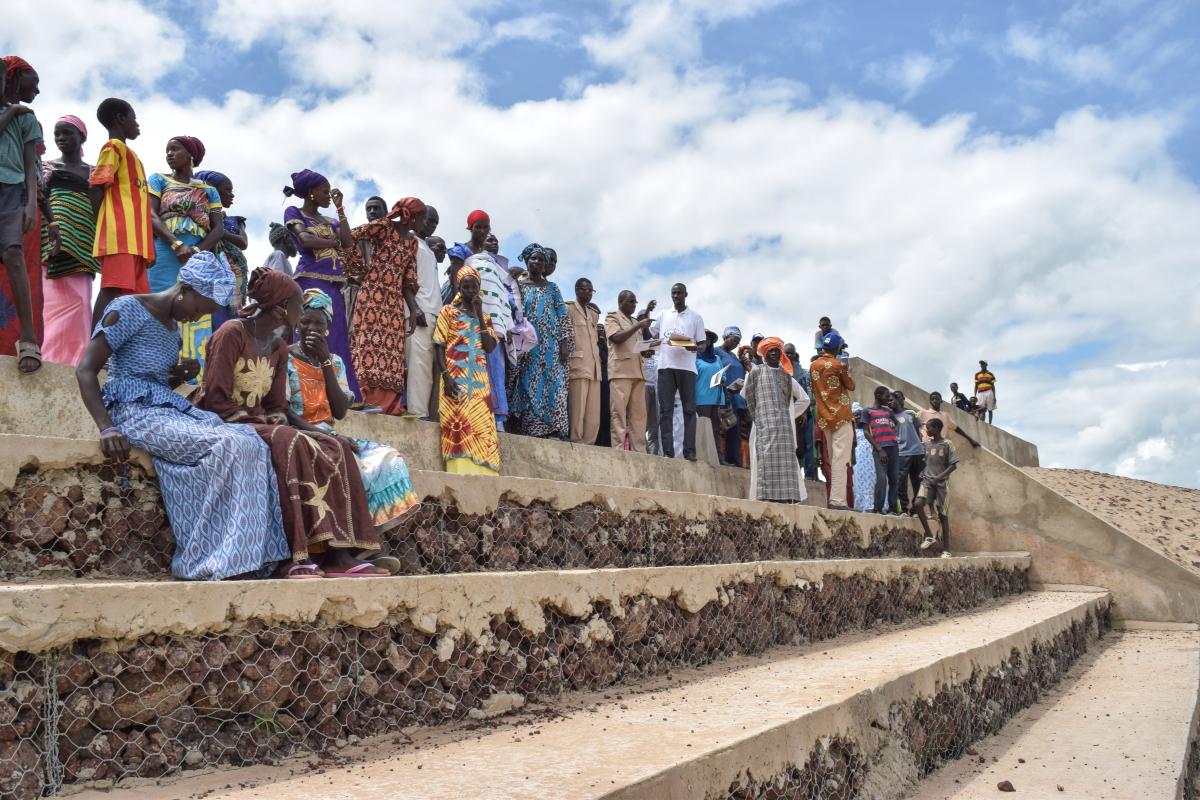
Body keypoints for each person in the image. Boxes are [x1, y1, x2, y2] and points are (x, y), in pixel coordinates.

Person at [75, 251, 290, 580]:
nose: (198, 318)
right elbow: (86, 370)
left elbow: (156, 381)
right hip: (132, 411)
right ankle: (215, 559)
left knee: (252, 441)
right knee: (229, 445)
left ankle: (254, 557)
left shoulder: (173, 328)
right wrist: (106, 428)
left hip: (167, 409)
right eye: (200, 309)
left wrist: (177, 376)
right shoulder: (127, 309)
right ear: (184, 289)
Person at [194, 268, 385, 578]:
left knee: (333, 445)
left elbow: (276, 407)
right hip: (221, 420)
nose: (303, 314)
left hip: (261, 423)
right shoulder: (232, 333)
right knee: (288, 440)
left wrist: (315, 432)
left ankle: (339, 553)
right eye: (299, 306)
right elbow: (216, 398)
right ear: (283, 309)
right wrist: (272, 426)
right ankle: (296, 552)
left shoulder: (278, 347)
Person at [288, 288, 419, 538]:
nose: (312, 328)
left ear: (327, 328)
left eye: (320, 323)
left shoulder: (335, 362)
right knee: (347, 466)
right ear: (297, 323)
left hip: (329, 433)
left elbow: (339, 412)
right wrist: (328, 438)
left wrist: (324, 361)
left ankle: (371, 533)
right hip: (300, 433)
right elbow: (285, 412)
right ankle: (355, 540)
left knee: (389, 458)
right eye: (307, 322)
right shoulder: (286, 358)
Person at [147, 137, 225, 374]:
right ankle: (156, 368)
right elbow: (150, 214)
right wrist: (176, 243)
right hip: (164, 251)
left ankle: (194, 376)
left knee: (196, 310)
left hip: (198, 258)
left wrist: (197, 251)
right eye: (167, 150)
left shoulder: (208, 190)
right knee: (159, 304)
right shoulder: (159, 179)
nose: (169, 154)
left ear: (190, 155)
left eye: (175, 149)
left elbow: (218, 228)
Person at [283, 169, 360, 403]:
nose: (329, 195)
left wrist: (340, 209)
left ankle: (339, 392)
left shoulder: (330, 220)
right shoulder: (294, 211)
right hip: (310, 279)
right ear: (311, 192)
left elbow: (347, 243)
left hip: (334, 285)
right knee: (309, 331)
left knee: (335, 335)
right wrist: (334, 242)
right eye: (325, 192)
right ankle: (302, 388)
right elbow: (305, 240)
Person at [349, 197, 425, 416]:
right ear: (413, 216)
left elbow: (408, 280)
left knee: (391, 353)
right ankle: (366, 399)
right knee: (368, 348)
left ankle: (390, 406)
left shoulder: (412, 242)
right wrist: (357, 269)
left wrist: (413, 310)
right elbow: (351, 236)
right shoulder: (384, 227)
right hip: (371, 296)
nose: (423, 222)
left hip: (393, 302)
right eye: (423, 218)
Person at [38, 115, 98, 366]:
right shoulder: (46, 167)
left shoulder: (94, 173)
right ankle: (48, 357)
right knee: (50, 302)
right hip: (50, 237)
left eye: (67, 133)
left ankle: (77, 362)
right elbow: (38, 199)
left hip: (83, 240)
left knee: (81, 301)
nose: (61, 138)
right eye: (57, 134)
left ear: (82, 137)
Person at [88, 98, 154, 326]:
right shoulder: (113, 147)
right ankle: (93, 344)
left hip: (137, 243)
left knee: (135, 299)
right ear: (121, 118)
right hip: (120, 237)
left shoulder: (133, 156)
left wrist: (147, 247)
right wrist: (104, 227)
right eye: (134, 118)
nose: (137, 123)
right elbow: (96, 187)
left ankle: (120, 349)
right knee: (112, 288)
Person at [433, 263, 500, 475]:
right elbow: (439, 345)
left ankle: (485, 471)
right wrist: (446, 376)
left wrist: (479, 313)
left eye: (474, 287)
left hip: (480, 381)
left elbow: (489, 347)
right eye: (466, 287)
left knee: (482, 425)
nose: (470, 291)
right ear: (459, 288)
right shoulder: (448, 311)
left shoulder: (486, 317)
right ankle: (459, 469)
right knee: (457, 422)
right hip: (454, 376)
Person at [0, 57, 43, 372]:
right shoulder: (16, 113)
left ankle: (28, 339)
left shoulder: (26, 118)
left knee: (13, 254)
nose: (37, 90)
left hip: (12, 190)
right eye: (34, 81)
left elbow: (31, 168)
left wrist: (30, 203)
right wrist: (11, 111)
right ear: (15, 78)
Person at [511, 243, 572, 439]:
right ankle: (534, 429)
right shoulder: (518, 287)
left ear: (545, 265)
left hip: (552, 346)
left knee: (554, 383)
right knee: (529, 383)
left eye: (541, 260)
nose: (536, 262)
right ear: (527, 261)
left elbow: (563, 316)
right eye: (533, 259)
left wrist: (564, 344)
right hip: (529, 346)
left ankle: (554, 428)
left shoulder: (552, 288)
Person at [744, 336, 809, 503]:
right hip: (762, 427)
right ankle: (764, 496)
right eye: (770, 351)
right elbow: (749, 398)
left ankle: (787, 497)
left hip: (784, 430)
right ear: (764, 354)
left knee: (785, 462)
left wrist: (788, 416)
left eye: (776, 351)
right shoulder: (756, 372)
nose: (773, 353)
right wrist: (759, 418)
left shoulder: (787, 376)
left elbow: (805, 399)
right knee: (763, 459)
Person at [649, 283, 705, 460]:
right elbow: (650, 333)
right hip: (665, 366)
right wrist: (646, 314)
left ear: (686, 294)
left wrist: (694, 347)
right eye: (673, 293)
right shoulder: (663, 314)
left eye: (679, 293)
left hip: (687, 368)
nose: (676, 296)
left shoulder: (696, 317)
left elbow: (703, 343)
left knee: (689, 410)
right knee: (666, 410)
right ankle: (667, 452)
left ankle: (689, 452)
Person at [193, 169, 249, 322]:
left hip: (233, 274)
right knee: (211, 314)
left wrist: (219, 230)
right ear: (213, 192)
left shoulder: (236, 221)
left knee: (227, 314)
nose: (232, 195)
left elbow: (243, 243)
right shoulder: (199, 216)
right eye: (227, 190)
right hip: (209, 272)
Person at [810, 331, 855, 509]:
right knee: (840, 459)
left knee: (831, 458)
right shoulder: (839, 365)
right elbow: (851, 385)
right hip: (841, 416)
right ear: (837, 347)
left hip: (823, 417)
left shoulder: (814, 365)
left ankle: (835, 499)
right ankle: (837, 500)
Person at [604, 291, 652, 452]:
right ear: (620, 302)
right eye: (630, 301)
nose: (633, 304)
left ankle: (639, 450)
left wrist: (649, 348)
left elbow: (641, 348)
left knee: (639, 416)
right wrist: (638, 325)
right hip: (621, 372)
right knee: (618, 414)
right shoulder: (612, 317)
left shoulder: (634, 321)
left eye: (635, 302)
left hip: (638, 373)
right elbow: (616, 338)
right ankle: (618, 449)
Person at [408, 205, 444, 420]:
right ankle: (417, 413)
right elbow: (406, 279)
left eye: (435, 224)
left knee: (430, 368)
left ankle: (426, 413)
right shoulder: (410, 243)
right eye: (429, 221)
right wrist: (415, 308)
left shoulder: (426, 248)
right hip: (419, 312)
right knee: (418, 365)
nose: (431, 226)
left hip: (434, 313)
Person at [915, 418, 958, 556]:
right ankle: (929, 535)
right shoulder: (927, 445)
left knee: (943, 515)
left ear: (937, 428)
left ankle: (946, 550)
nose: (927, 431)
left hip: (941, 484)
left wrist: (939, 477)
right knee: (917, 504)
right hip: (927, 481)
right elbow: (928, 464)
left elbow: (953, 465)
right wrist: (922, 472)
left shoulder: (947, 444)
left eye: (929, 428)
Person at [566, 277, 601, 444]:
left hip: (595, 367)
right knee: (577, 408)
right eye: (584, 289)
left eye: (591, 290)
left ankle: (589, 442)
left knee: (593, 411)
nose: (588, 293)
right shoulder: (569, 308)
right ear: (577, 290)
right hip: (578, 364)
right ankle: (575, 439)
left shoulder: (594, 314)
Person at [863, 386, 900, 514]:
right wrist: (879, 449)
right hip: (880, 449)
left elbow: (898, 423)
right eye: (886, 396)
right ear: (878, 395)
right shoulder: (867, 411)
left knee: (894, 478)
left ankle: (893, 509)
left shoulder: (888, 411)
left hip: (893, 447)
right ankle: (877, 508)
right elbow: (866, 433)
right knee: (882, 478)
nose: (889, 398)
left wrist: (894, 431)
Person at [716, 327, 747, 466]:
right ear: (726, 337)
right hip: (722, 395)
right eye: (734, 340)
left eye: (738, 342)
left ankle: (734, 459)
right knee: (722, 427)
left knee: (735, 429)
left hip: (737, 397)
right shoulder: (716, 351)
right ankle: (720, 458)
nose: (735, 344)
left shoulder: (735, 357)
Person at [891, 390, 925, 514]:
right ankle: (903, 508)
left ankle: (916, 509)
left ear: (901, 399)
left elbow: (918, 431)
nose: (891, 402)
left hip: (917, 451)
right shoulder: (890, 416)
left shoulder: (911, 413)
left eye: (894, 399)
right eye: (889, 400)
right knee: (901, 482)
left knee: (918, 482)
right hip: (901, 453)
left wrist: (920, 446)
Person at [695, 330, 726, 461]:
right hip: (701, 398)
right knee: (703, 428)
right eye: (703, 339)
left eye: (708, 340)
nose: (706, 342)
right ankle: (702, 456)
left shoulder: (717, 358)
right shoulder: (694, 357)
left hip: (717, 397)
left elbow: (723, 374)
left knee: (716, 430)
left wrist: (722, 378)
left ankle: (718, 458)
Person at [851, 404, 875, 512]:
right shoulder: (852, 432)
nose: (858, 417)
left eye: (860, 415)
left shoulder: (870, 430)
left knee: (871, 481)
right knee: (858, 482)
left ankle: (871, 505)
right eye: (855, 415)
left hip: (871, 461)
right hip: (858, 461)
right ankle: (860, 506)